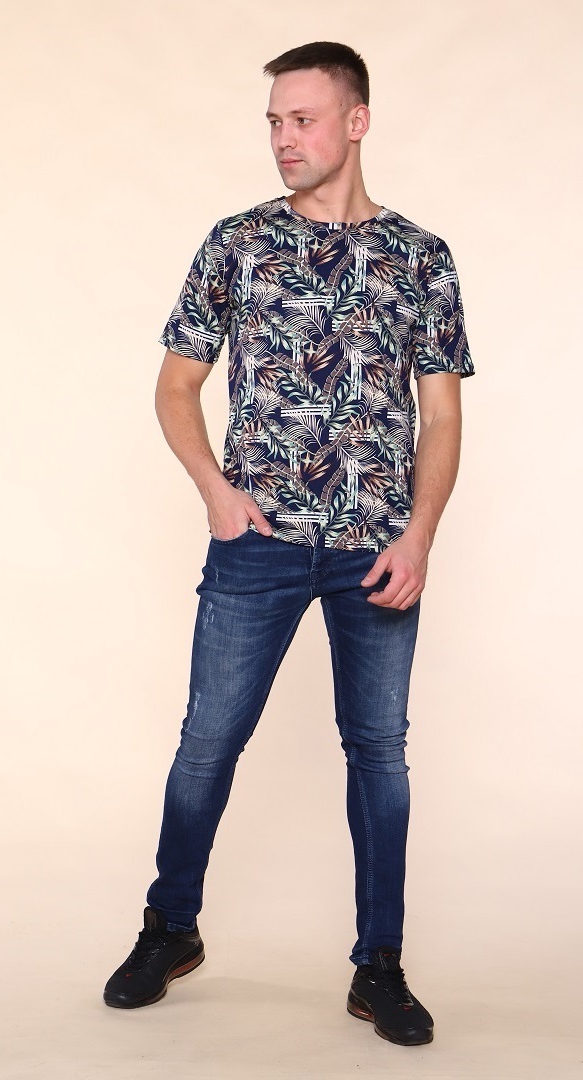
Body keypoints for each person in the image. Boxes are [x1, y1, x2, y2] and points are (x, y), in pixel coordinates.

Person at [103, 40, 475, 1047]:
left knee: (379, 754)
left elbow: (442, 417)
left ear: (356, 122)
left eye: (302, 119)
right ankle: (170, 929)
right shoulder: (237, 242)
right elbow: (176, 386)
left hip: (376, 551)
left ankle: (379, 966)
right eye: (274, 121)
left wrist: (420, 537)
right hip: (257, 541)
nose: (283, 138)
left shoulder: (421, 256)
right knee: (207, 744)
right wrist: (217, 494)